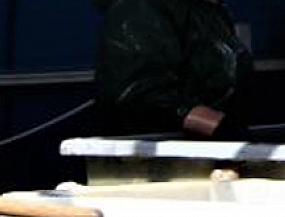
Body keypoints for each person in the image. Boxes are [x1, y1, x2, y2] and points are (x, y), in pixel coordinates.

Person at [93, 0, 253, 138]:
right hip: (162, 160)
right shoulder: (140, 8)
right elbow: (138, 96)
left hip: (213, 154)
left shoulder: (209, 11)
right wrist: (217, 127)